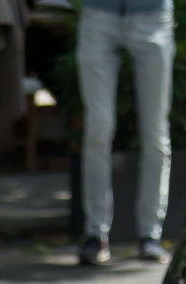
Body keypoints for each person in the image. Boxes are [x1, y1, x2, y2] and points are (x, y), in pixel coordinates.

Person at [75, 0, 174, 266]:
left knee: (155, 133)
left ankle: (150, 235)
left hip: (153, 15)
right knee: (98, 127)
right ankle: (95, 234)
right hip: (99, 13)